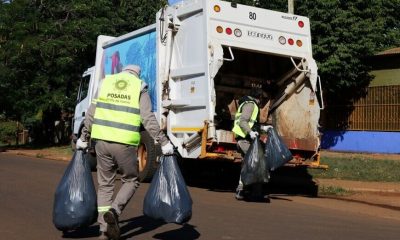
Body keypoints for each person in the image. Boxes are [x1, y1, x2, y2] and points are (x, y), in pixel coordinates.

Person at [76, 65, 174, 240]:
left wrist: (83, 137)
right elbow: (147, 118)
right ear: (137, 74)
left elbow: (91, 113)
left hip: (101, 142)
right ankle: (114, 210)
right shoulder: (139, 86)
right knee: (131, 179)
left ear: (122, 72)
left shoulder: (106, 83)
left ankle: (104, 231)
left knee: (105, 185)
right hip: (124, 143)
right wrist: (163, 141)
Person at [232, 85, 269, 201]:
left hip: (247, 139)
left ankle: (245, 190)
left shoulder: (249, 103)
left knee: (250, 163)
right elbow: (243, 121)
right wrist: (251, 132)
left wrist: (263, 128)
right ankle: (247, 190)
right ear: (258, 97)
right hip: (244, 140)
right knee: (255, 162)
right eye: (262, 98)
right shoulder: (250, 105)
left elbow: (252, 123)